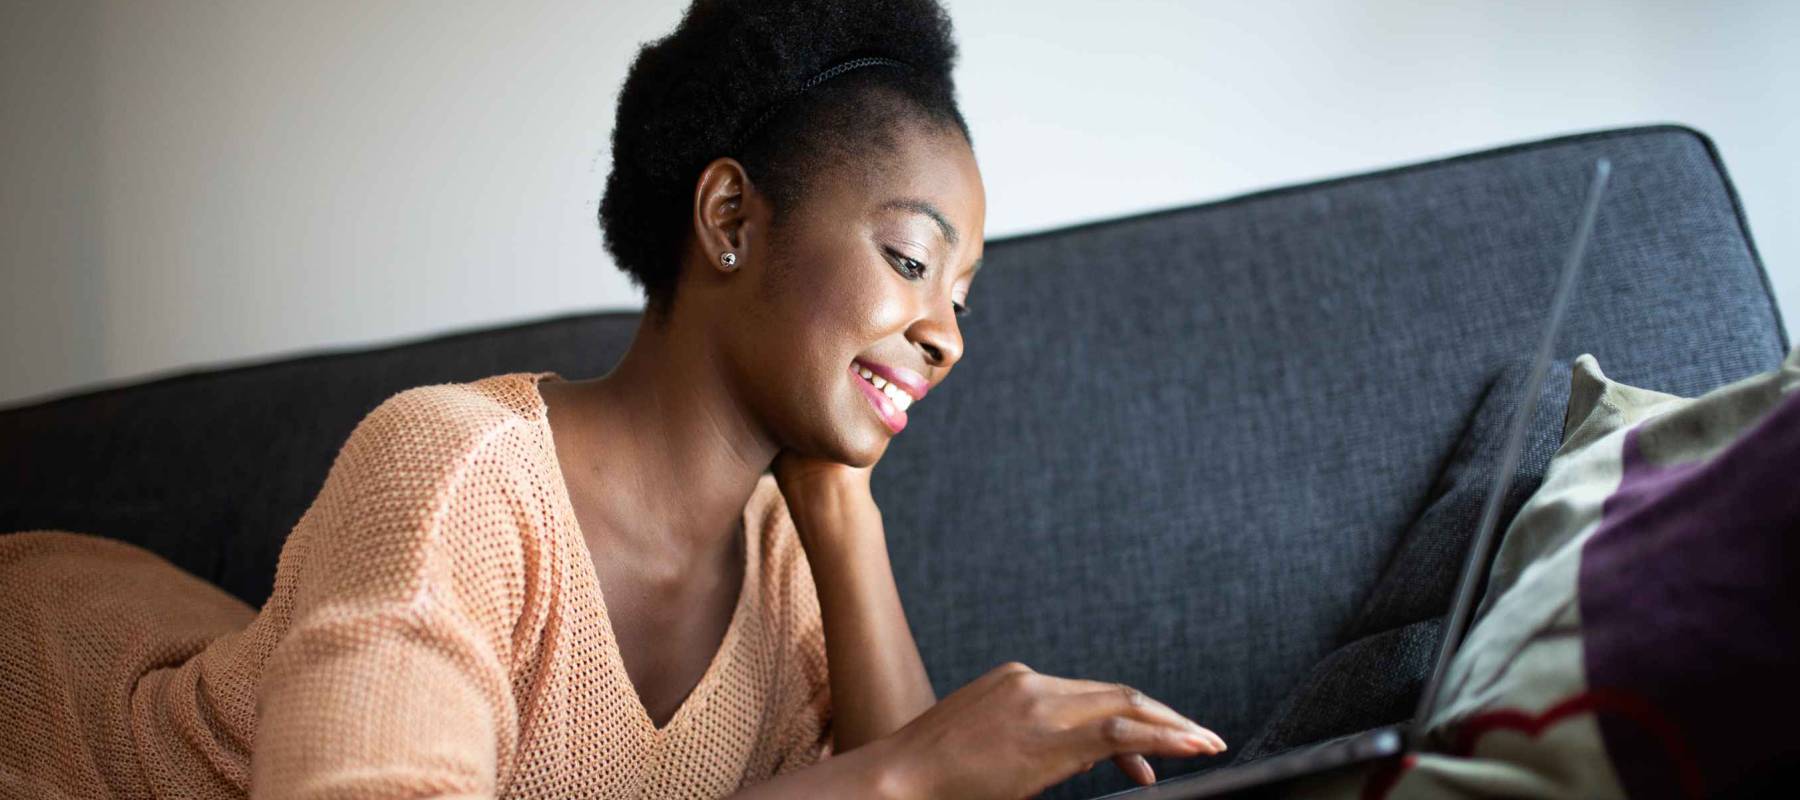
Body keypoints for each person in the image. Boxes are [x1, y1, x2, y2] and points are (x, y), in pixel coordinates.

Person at [0, 0, 1226, 797]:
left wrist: (844, 510)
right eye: (911, 260)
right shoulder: (455, 473)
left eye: (963, 293)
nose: (948, 334)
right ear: (731, 218)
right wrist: (904, 775)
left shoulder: (788, 562)